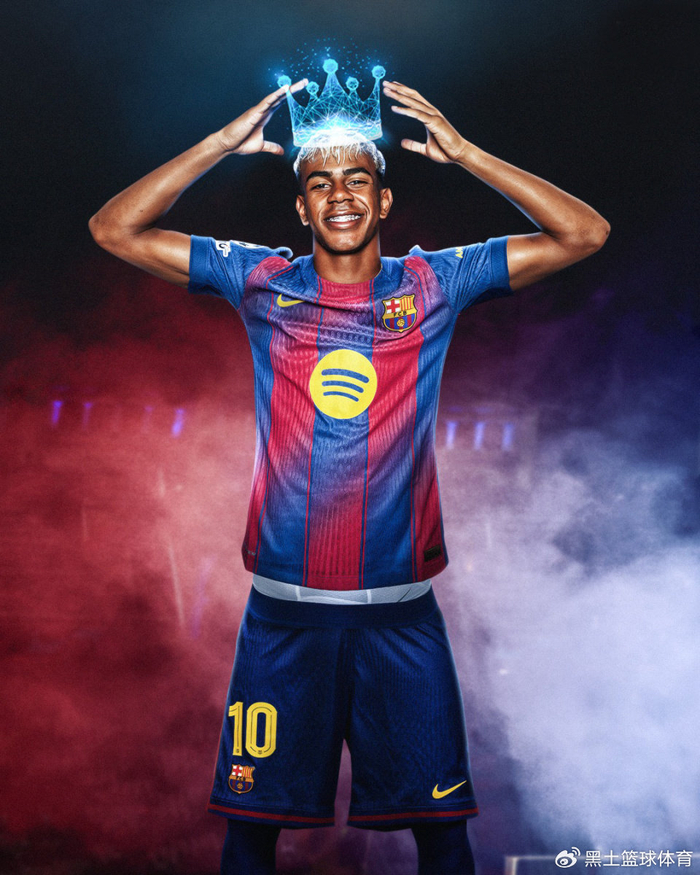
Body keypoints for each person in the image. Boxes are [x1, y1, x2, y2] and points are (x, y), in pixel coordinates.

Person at [89, 78, 609, 875]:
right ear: (301, 208)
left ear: (384, 199)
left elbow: (586, 233)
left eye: (357, 178)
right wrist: (221, 146)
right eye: (320, 182)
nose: (340, 195)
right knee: (250, 832)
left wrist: (467, 154)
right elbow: (113, 228)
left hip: (401, 618)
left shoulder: (435, 282)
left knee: (443, 835)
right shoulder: (262, 280)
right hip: (283, 620)